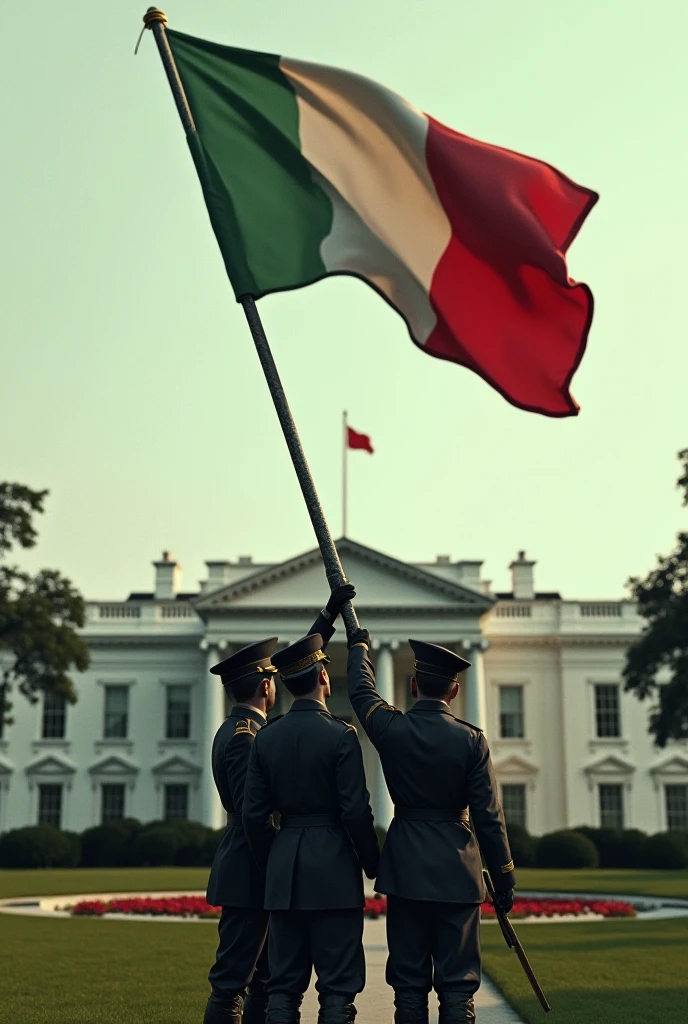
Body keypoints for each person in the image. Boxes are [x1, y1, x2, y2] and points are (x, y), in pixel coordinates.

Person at [346, 630, 516, 1024]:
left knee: (408, 983)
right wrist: (504, 876)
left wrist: (358, 647)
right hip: (458, 870)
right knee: (457, 983)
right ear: (455, 691)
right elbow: (488, 816)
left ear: (412, 684)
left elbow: (360, 691)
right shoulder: (472, 741)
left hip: (405, 868)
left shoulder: (391, 729)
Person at [203, 584, 355, 1024]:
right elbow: (254, 816)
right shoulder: (249, 740)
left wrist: (327, 617)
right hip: (253, 865)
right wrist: (278, 860)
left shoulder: (238, 729)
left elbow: (299, 664)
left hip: (253, 864)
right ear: (267, 687)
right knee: (233, 980)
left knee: (265, 978)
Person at [242, 615, 380, 1024]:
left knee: (283, 987)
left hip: (284, 869)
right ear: (324, 675)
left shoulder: (265, 736)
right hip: (334, 870)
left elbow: (253, 814)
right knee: (337, 987)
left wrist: (276, 859)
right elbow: (355, 811)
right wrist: (374, 864)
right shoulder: (342, 735)